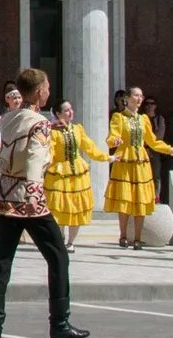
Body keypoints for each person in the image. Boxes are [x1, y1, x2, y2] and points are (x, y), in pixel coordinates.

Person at [0, 70, 85, 338]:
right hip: (27, 198)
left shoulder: (7, 118)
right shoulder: (39, 122)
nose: (49, 91)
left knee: (2, 260)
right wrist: (32, 191)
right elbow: (33, 155)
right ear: (40, 92)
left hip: (3, 193)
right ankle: (59, 321)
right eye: (47, 87)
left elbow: (17, 142)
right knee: (58, 255)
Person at [105, 86, 165, 248]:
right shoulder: (118, 117)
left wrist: (172, 150)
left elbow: (152, 142)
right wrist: (114, 141)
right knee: (125, 199)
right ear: (127, 98)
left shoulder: (144, 119)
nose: (139, 99)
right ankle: (123, 235)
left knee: (140, 199)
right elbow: (112, 136)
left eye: (141, 96)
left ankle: (138, 238)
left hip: (140, 162)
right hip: (125, 160)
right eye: (135, 95)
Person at [44, 100, 106, 234]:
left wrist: (106, 157)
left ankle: (71, 242)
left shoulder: (77, 129)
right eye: (66, 110)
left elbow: (89, 147)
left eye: (71, 109)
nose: (70, 112)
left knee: (76, 206)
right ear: (58, 114)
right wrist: (45, 163)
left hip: (77, 171)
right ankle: (60, 238)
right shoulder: (53, 132)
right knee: (60, 206)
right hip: (59, 172)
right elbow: (51, 151)